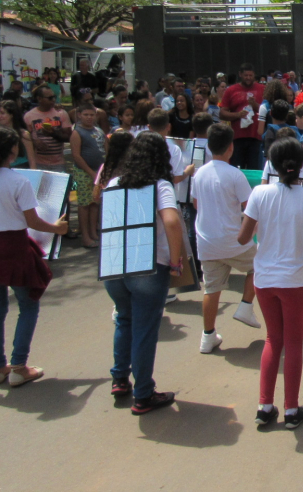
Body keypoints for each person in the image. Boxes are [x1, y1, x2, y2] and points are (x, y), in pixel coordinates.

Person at [237, 137, 303, 429]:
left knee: (272, 340)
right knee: (293, 343)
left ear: (272, 165)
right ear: (302, 165)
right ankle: (291, 409)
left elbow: (243, 237)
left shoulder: (259, 193)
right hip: (295, 281)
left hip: (264, 278)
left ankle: (265, 406)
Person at [103, 132, 186, 414]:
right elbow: (172, 223)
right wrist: (175, 261)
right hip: (148, 268)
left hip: (114, 266)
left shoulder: (113, 182)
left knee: (123, 320)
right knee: (145, 329)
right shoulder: (160, 185)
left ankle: (119, 379)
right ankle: (143, 393)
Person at [0, 126, 69, 387]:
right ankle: (19, 366)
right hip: (14, 248)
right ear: (13, 151)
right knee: (28, 304)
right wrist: (56, 228)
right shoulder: (17, 181)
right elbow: (33, 220)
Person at [191, 124, 262, 355]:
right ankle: (245, 306)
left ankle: (207, 336)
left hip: (206, 241)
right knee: (259, 266)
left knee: (211, 289)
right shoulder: (235, 175)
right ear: (231, 147)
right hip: (233, 241)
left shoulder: (199, 173)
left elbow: (195, 204)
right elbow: (250, 208)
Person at [69, 103, 106, 248]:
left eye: (92, 115)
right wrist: (91, 172)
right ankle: (85, 236)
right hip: (84, 172)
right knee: (84, 204)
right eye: (86, 115)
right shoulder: (77, 132)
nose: (89, 118)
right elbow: (76, 156)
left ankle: (93, 232)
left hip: (99, 172)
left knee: (95, 202)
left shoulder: (98, 131)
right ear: (79, 115)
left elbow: (105, 148)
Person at [220, 64, 264, 169]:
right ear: (240, 75)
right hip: (237, 138)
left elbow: (268, 111)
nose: (248, 78)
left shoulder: (262, 89)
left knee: (254, 170)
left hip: (256, 137)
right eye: (246, 75)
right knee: (236, 168)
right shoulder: (231, 90)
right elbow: (222, 113)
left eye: (250, 75)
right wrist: (238, 115)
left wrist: (256, 106)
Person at [24, 85, 71, 172]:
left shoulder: (61, 113)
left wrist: (53, 133)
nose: (53, 100)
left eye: (54, 97)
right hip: (38, 163)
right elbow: (26, 137)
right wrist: (35, 142)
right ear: (39, 99)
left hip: (58, 163)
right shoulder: (29, 116)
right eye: (50, 98)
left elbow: (68, 137)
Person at [0, 100, 36, 169]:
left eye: (2, 113)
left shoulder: (23, 134)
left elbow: (31, 160)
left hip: (21, 169)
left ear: (12, 115)